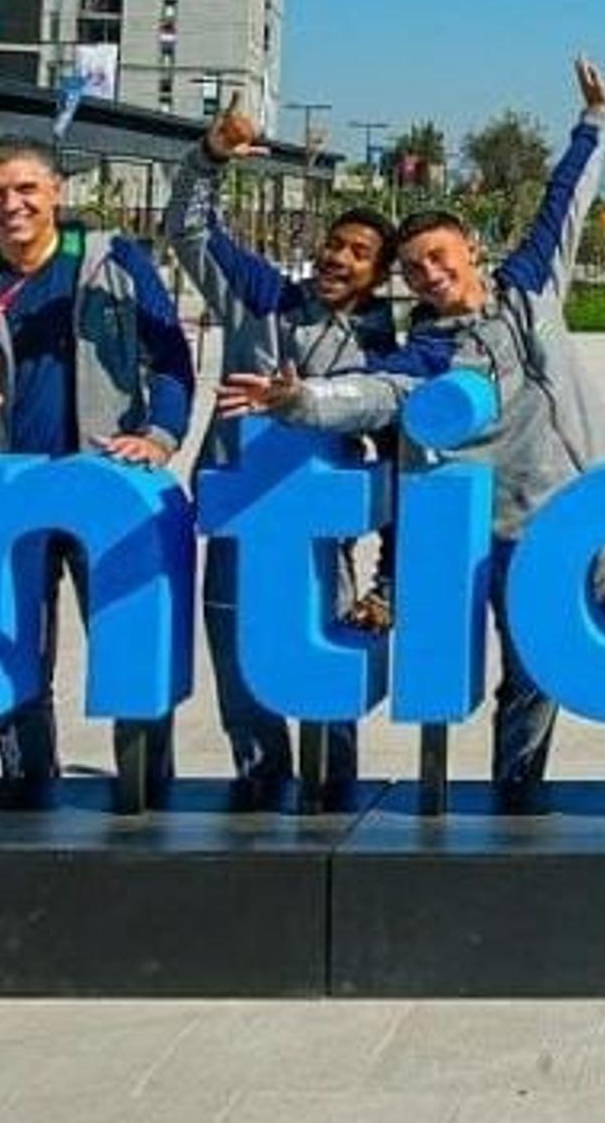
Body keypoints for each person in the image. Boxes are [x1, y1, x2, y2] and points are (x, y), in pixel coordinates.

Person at [242, 59, 605, 807]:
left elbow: (564, 205)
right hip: (521, 545)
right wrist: (299, 399)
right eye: (414, 268)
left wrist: (593, 122)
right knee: (527, 688)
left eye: (438, 258)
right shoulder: (421, 358)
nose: (427, 274)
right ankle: (517, 812)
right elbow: (371, 394)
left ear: (470, 254)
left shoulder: (529, 290)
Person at [0, 141, 195, 805]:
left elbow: (172, 360)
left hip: (105, 497)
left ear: (57, 192)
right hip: (3, 507)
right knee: (11, 665)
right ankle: (30, 789)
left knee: (132, 655)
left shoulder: (116, 265)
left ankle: (147, 795)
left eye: (27, 188)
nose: (13, 205)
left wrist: (159, 434)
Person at [161, 96, 419, 810]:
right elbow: (186, 228)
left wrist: (389, 585)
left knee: (325, 680)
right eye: (335, 243)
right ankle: (259, 790)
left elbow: (401, 472)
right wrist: (209, 154)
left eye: (359, 253)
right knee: (241, 676)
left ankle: (335, 800)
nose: (339, 257)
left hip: (318, 541)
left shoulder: (385, 356)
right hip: (240, 524)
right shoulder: (262, 297)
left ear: (380, 274)